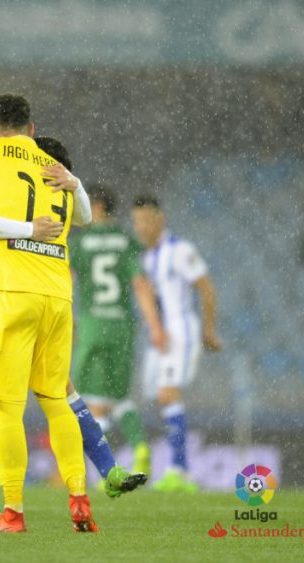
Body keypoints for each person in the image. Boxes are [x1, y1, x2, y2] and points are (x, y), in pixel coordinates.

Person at [0, 138, 146, 529]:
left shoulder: (28, 190)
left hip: (12, 301)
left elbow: (75, 217)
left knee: (31, 400)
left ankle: (24, 505)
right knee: (4, 406)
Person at [0, 94, 96, 533]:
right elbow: (83, 216)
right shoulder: (55, 176)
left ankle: (10, 512)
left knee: (4, 410)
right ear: (31, 128)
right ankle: (80, 497)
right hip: (58, 298)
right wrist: (75, 182)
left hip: (7, 296)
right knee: (56, 402)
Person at [67, 183, 167, 478]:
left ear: (97, 207)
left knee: (85, 398)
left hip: (91, 326)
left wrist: (65, 323)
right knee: (119, 395)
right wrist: (156, 327)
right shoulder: (126, 240)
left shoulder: (80, 242)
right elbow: (139, 284)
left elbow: (66, 283)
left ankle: (101, 468)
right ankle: (139, 446)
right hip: (121, 327)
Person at [131, 194, 221, 493]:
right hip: (159, 335)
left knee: (168, 394)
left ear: (160, 219)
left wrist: (208, 331)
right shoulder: (144, 257)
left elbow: (206, 288)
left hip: (181, 331)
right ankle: (177, 467)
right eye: (136, 221)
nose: (141, 227)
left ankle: (179, 470)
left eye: (146, 220)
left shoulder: (179, 250)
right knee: (158, 397)